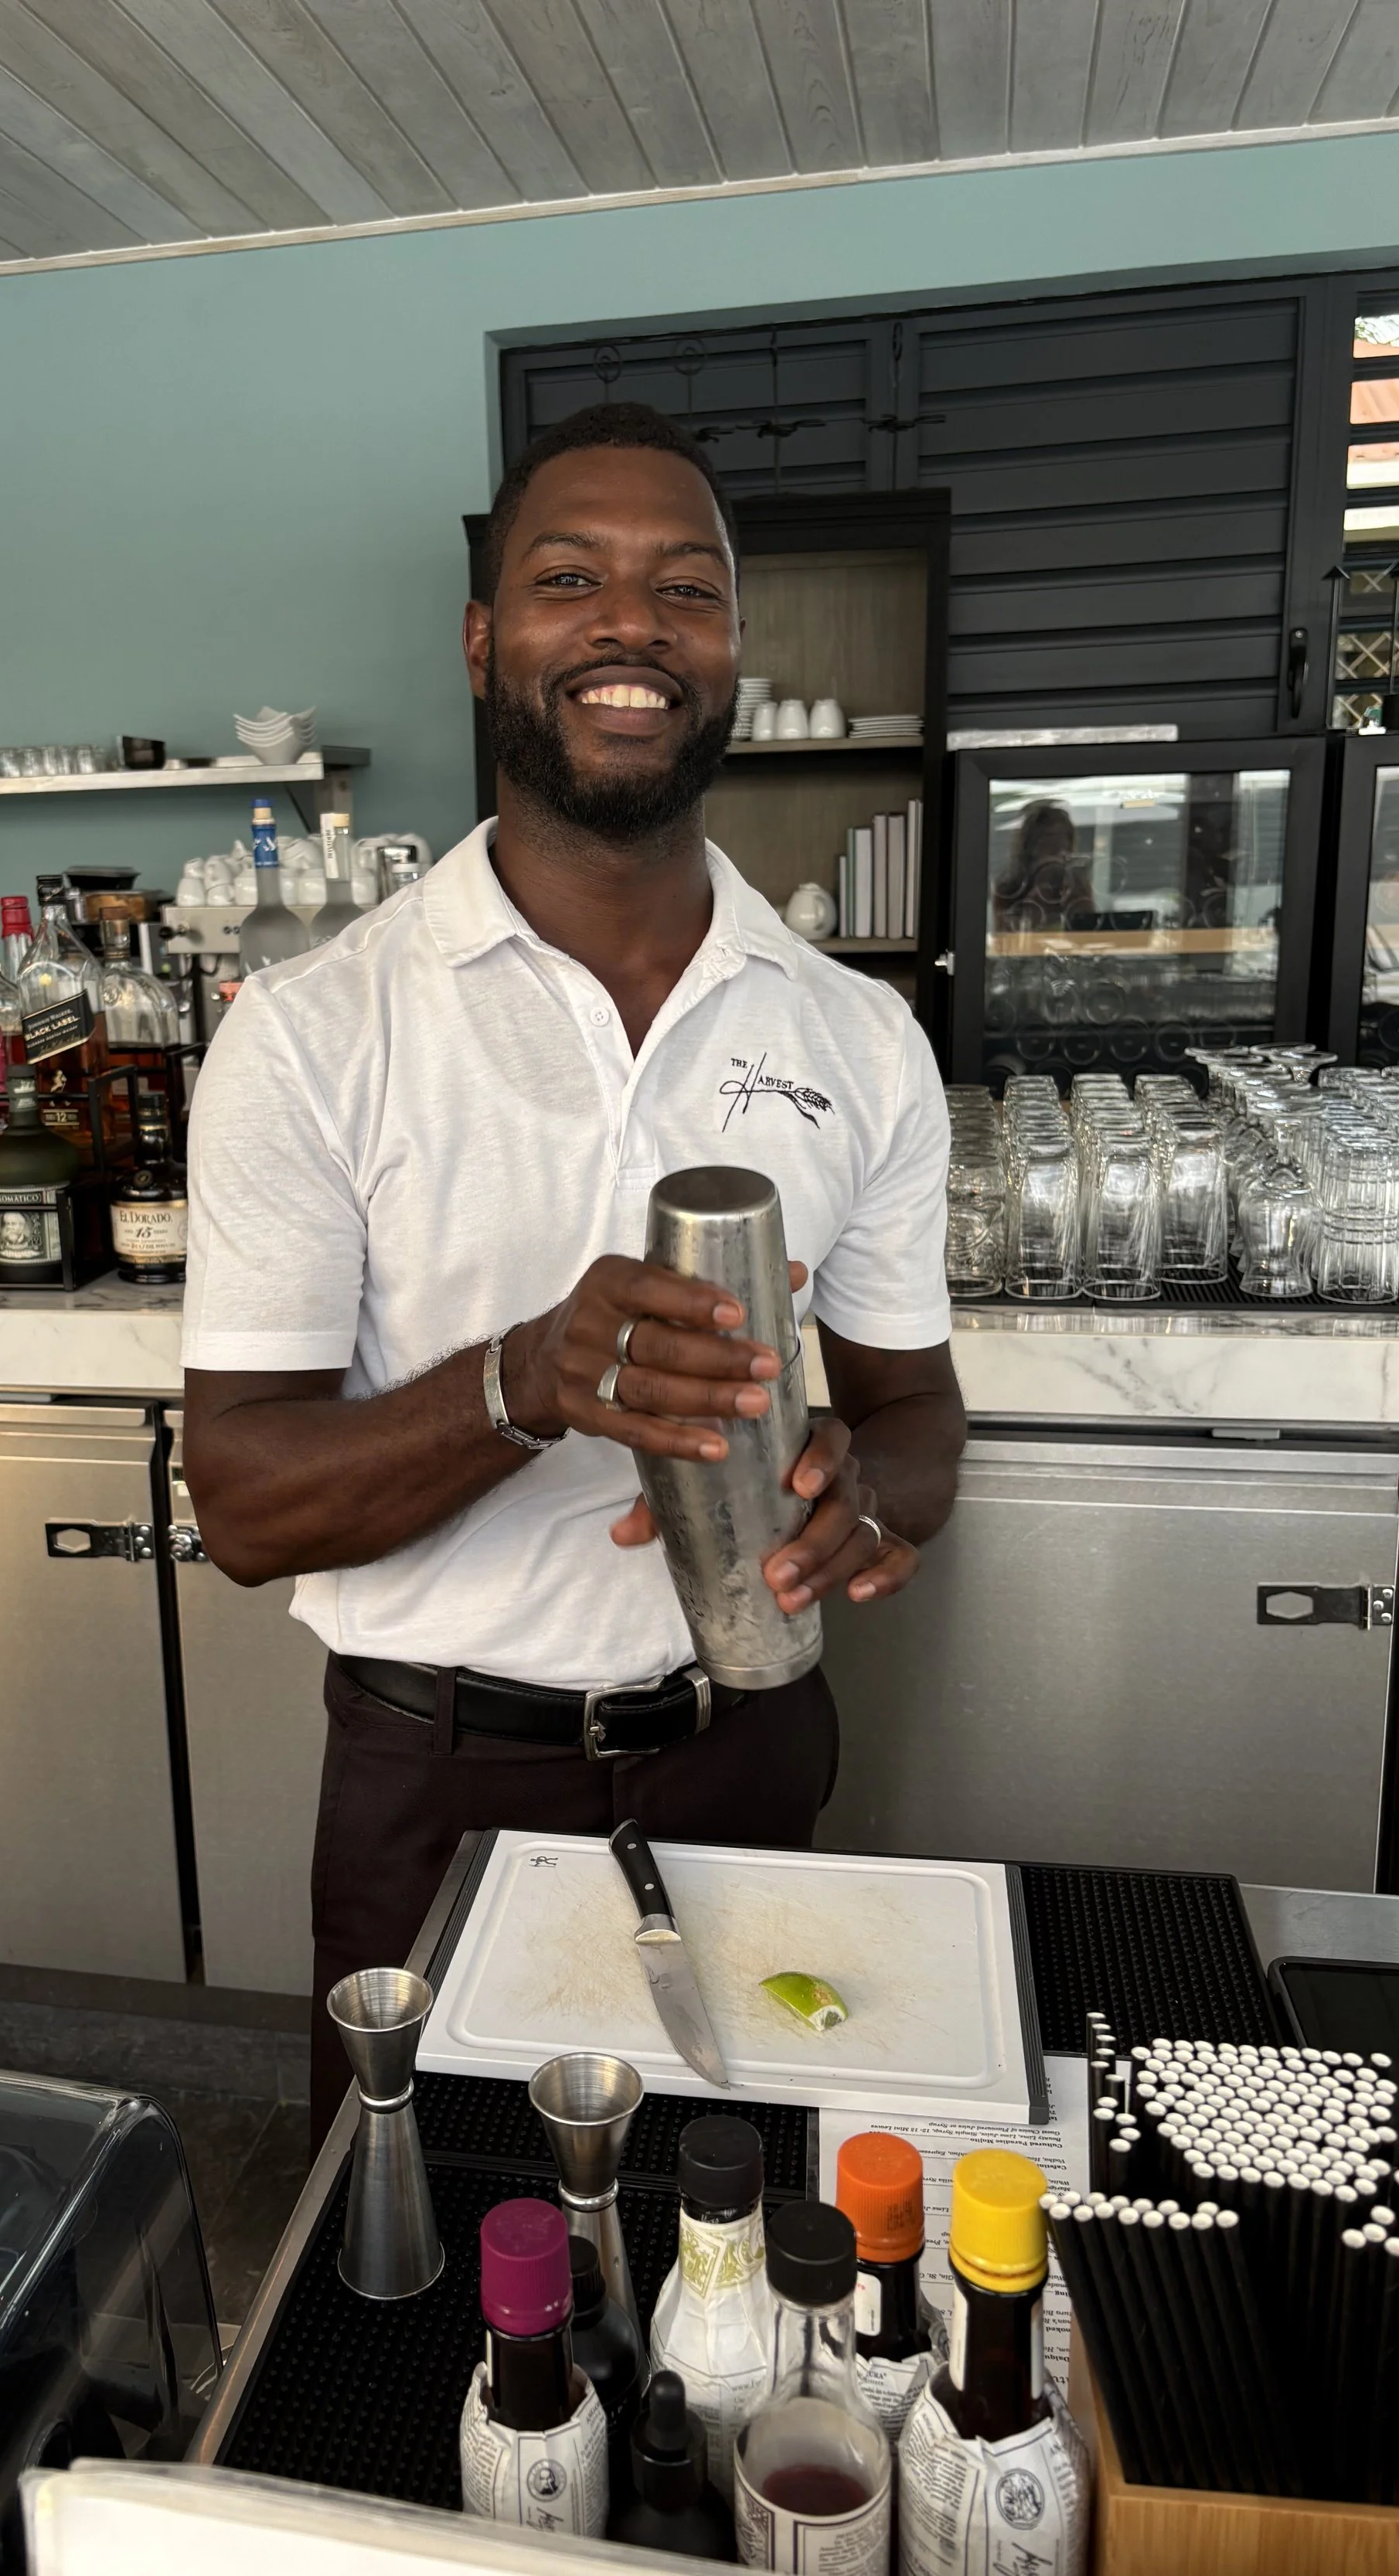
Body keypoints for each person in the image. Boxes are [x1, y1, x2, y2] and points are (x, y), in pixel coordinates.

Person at [182, 402, 966, 2141]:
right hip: (435, 1774)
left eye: (684, 590)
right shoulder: (315, 1034)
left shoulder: (858, 1035)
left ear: (733, 650)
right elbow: (239, 1500)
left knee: (753, 2243)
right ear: (484, 640)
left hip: (749, 1753)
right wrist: (520, 1381)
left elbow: (915, 1413)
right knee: (419, 2270)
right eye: (567, 582)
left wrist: (872, 1494)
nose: (630, 627)